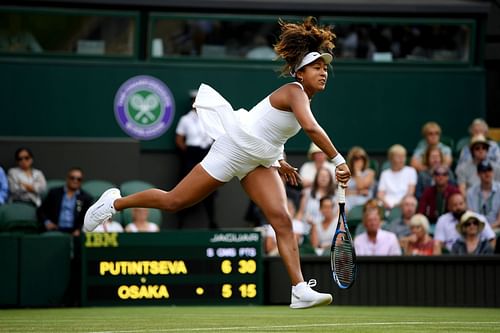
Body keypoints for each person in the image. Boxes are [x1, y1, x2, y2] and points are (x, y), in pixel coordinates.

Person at [83, 17, 351, 309]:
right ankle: (114, 203)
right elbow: (311, 129)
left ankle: (298, 288)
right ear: (300, 73)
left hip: (259, 161)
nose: (323, 72)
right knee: (175, 201)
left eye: (325, 67)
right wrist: (338, 159)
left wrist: (280, 160)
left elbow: (270, 128)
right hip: (233, 151)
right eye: (317, 67)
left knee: (282, 220)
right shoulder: (294, 92)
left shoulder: (301, 98)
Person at [175, 89, 218, 229]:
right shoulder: (185, 119)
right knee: (186, 186)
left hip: (207, 153)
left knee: (209, 188)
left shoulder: (209, 117)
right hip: (192, 155)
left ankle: (212, 222)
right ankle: (180, 223)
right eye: (194, 101)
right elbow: (179, 139)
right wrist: (188, 152)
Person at [37, 167, 93, 236]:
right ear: (67, 178)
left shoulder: (86, 198)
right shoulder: (54, 193)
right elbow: (41, 210)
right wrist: (47, 222)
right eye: (72, 178)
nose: (75, 181)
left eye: (79, 179)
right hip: (55, 229)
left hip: (74, 232)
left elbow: (86, 217)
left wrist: (79, 229)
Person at [377, 144, 417, 210]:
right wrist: (386, 203)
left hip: (403, 203)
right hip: (386, 204)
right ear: (391, 158)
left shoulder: (411, 171)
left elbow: (410, 192)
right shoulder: (385, 174)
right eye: (398, 157)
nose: (402, 159)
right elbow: (380, 194)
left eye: (403, 156)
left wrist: (400, 203)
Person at [466, 161, 500, 230]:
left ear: (493, 172)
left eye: (489, 170)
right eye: (484, 171)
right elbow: (470, 216)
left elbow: (499, 221)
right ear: (478, 174)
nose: (487, 173)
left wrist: (487, 230)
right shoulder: (471, 192)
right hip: (476, 229)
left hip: (497, 229)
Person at [345, 146, 375, 210]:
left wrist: (357, 172)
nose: (359, 161)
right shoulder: (346, 174)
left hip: (364, 202)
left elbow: (361, 186)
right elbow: (344, 192)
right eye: (356, 159)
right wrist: (359, 192)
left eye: (362, 158)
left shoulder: (370, 173)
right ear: (351, 161)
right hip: (348, 201)